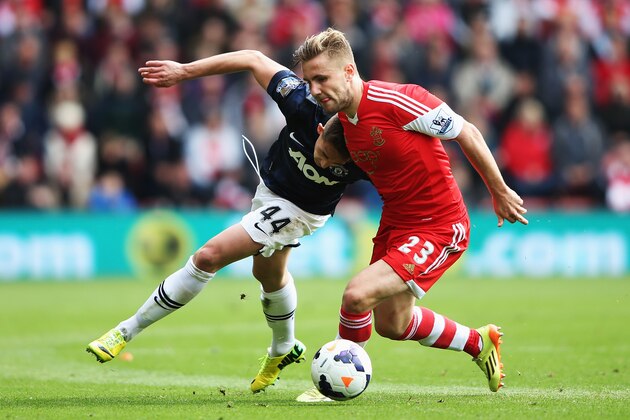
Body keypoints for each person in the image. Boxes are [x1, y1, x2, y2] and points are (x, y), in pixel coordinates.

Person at [85, 49, 369, 393]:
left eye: (332, 164)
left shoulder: (367, 154)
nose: (323, 164)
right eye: (321, 153)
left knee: (208, 256)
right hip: (271, 191)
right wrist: (184, 71)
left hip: (302, 212)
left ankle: (125, 331)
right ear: (320, 129)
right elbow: (252, 57)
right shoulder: (301, 104)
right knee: (268, 273)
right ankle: (284, 348)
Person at [293, 28, 528, 401]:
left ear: (350, 71)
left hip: (439, 225)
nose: (316, 89)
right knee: (392, 323)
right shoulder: (344, 123)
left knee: (356, 296)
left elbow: (467, 131)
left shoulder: (399, 100)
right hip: (397, 224)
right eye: (309, 81)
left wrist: (499, 191)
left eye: (322, 78)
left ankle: (334, 385)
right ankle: (478, 342)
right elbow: (333, 154)